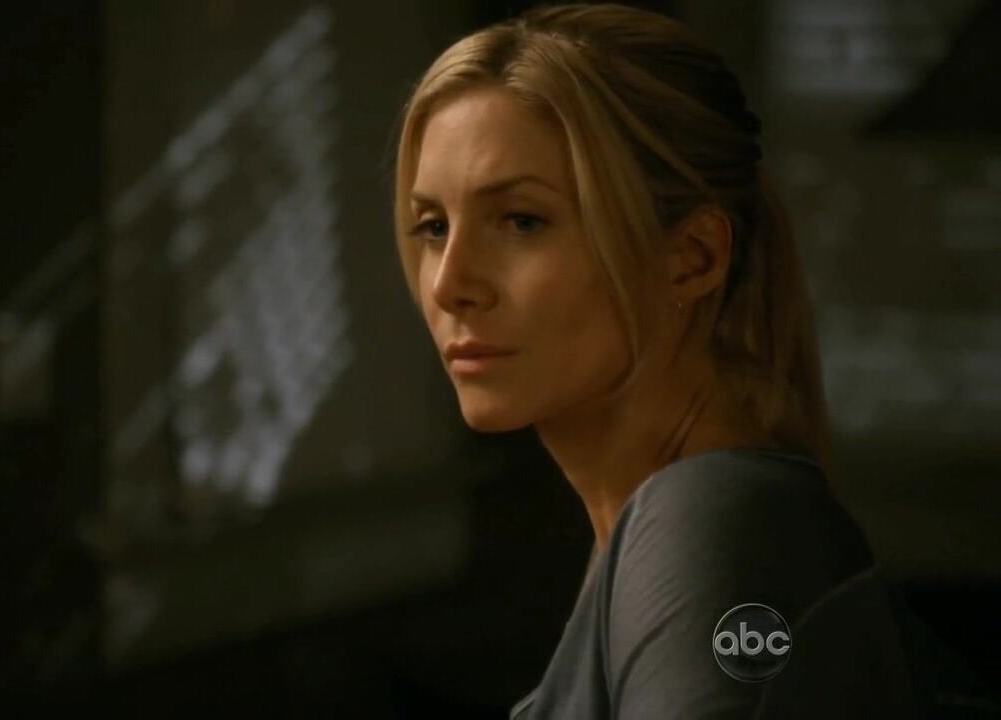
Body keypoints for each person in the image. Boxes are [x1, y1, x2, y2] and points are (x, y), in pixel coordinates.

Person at [390, 4, 936, 718]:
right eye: (434, 226)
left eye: (522, 221)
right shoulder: (671, 522)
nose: (448, 284)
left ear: (692, 258)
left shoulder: (703, 523)